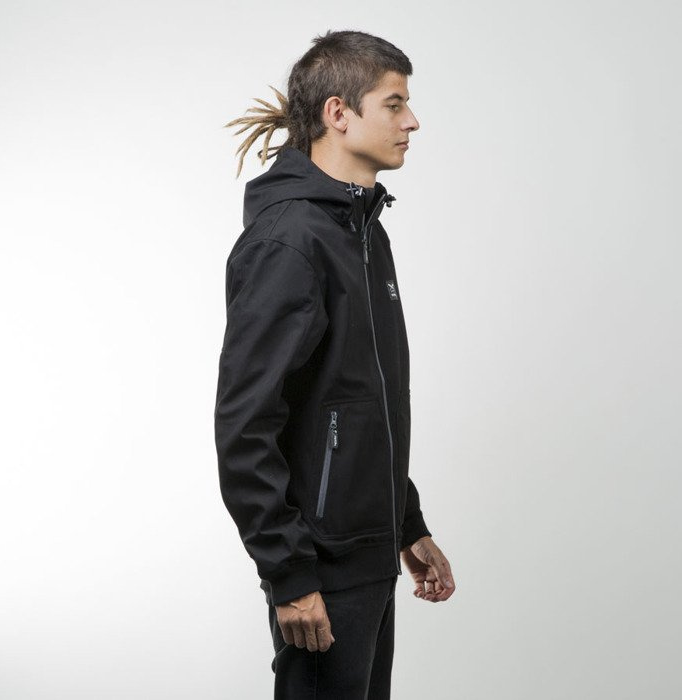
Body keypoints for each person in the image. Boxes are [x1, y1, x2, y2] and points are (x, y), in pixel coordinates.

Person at [214, 29, 456, 699]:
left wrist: (406, 523)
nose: (412, 121)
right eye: (395, 104)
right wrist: (289, 574)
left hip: (367, 553)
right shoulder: (291, 241)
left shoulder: (364, 233)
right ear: (338, 113)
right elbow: (245, 423)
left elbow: (355, 399)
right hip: (320, 568)